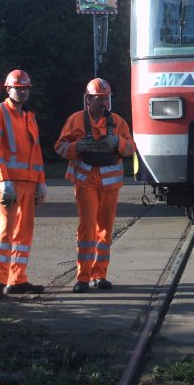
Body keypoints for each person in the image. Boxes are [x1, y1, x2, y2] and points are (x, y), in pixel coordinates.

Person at [55, 78, 136, 292]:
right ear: (88, 99)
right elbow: (60, 147)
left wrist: (117, 142)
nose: (103, 103)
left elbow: (130, 149)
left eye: (106, 99)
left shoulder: (118, 122)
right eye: (99, 99)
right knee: (87, 228)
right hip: (85, 183)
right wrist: (78, 146)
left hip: (110, 186)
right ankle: (82, 277)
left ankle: (100, 275)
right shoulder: (76, 120)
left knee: (105, 230)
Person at [0, 69, 47, 300]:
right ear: (8, 89)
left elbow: (36, 152)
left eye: (25, 89)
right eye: (18, 88)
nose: (22, 92)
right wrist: (3, 180)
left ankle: (17, 280)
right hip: (8, 183)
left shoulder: (29, 117)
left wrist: (41, 183)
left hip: (29, 184)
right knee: (5, 231)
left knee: (24, 233)